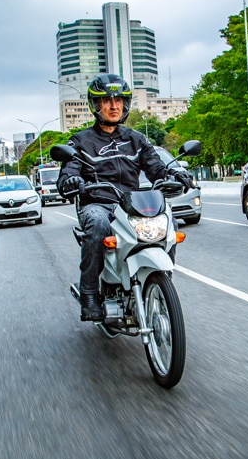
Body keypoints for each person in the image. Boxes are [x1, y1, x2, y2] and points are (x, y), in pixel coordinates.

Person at [56, 73, 192, 321]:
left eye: (119, 100)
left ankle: (161, 282)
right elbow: (69, 171)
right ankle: (89, 293)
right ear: (95, 105)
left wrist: (176, 174)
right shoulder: (80, 141)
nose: (113, 105)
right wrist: (71, 180)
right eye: (106, 100)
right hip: (97, 202)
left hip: (130, 203)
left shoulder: (136, 139)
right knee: (97, 225)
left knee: (168, 222)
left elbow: (157, 167)